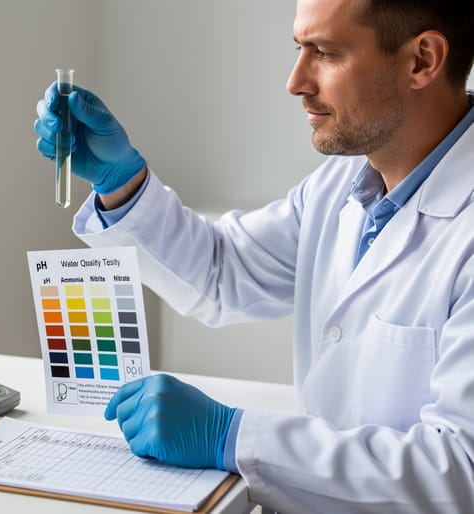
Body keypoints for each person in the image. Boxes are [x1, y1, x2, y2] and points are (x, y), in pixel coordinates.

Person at [33, 0, 474, 512]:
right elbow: (225, 271)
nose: (295, 81)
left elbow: (460, 469)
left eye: (325, 53)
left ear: (422, 60)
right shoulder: (341, 184)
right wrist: (122, 183)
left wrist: (234, 436)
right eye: (299, 48)